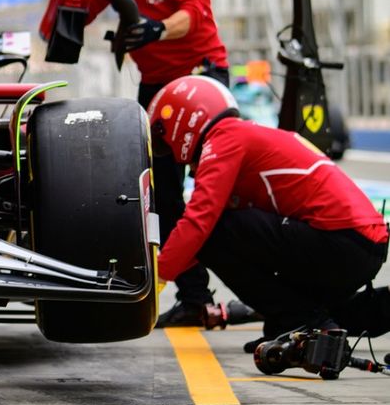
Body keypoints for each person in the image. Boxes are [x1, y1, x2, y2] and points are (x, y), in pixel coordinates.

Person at [37, 0, 248, 328]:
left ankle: (261, 277)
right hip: (154, 88)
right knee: (164, 194)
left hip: (200, 80)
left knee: (219, 191)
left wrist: (155, 28)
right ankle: (194, 298)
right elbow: (76, 14)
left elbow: (192, 15)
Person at [146, 75, 390, 350]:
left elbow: (199, 220)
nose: (169, 152)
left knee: (214, 232)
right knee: (305, 315)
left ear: (184, 122)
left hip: (341, 242)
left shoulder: (226, 137)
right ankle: (359, 312)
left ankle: (299, 320)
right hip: (361, 247)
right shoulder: (246, 135)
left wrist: (154, 281)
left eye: (164, 140)